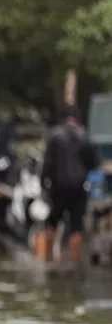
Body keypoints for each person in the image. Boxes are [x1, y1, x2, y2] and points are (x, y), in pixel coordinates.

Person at [39, 104, 100, 263]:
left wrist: (43, 184)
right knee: (76, 226)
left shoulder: (54, 136)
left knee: (52, 222)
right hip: (78, 186)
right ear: (78, 118)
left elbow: (47, 164)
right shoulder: (84, 135)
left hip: (58, 186)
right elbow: (93, 163)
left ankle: (47, 258)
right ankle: (75, 262)